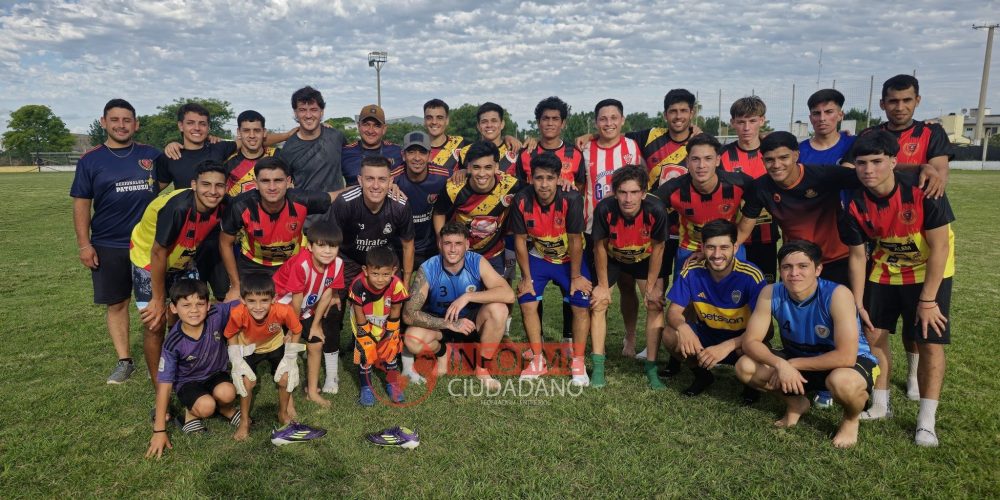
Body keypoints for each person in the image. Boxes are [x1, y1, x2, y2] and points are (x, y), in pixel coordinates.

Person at [839, 130, 955, 447]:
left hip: (929, 271)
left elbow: (941, 248)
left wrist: (928, 300)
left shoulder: (924, 190)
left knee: (930, 341)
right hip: (885, 269)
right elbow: (858, 255)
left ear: (893, 161)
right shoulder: (851, 202)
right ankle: (880, 404)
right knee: (875, 335)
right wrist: (859, 301)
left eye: (877, 161)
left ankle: (926, 421)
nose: (869, 170)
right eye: (861, 163)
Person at [847, 74, 954, 401]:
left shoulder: (931, 132)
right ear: (883, 104)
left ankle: (913, 376)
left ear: (917, 101)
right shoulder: (869, 135)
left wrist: (920, 169)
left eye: (907, 100)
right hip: (885, 249)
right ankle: (883, 399)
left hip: (921, 234)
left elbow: (936, 177)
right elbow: (852, 167)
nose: (900, 107)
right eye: (893, 101)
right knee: (878, 330)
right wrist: (911, 166)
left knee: (920, 331)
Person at [735, 241, 879, 449]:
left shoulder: (838, 295)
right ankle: (797, 404)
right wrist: (781, 364)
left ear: (818, 269)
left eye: (803, 266)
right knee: (745, 366)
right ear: (780, 271)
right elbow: (750, 342)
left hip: (848, 363)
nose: (794, 273)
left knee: (843, 383)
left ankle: (850, 419)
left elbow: (846, 356)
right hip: (800, 359)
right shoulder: (770, 292)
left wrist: (791, 364)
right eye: (787, 267)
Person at [71, 98, 161, 384]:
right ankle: (125, 361)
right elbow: (82, 204)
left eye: (127, 120)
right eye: (115, 120)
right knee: (117, 303)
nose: (121, 125)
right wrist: (85, 245)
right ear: (104, 122)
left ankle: (161, 356)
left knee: (155, 302)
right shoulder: (91, 160)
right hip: (109, 244)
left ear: (136, 124)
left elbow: (182, 167)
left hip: (149, 246)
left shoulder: (152, 155)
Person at [129, 161, 227, 388]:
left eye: (219, 186)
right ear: (194, 185)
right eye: (206, 184)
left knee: (185, 316)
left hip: (183, 258)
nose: (213, 191)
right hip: (149, 261)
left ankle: (182, 366)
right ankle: (160, 385)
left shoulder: (222, 204)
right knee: (155, 322)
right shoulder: (178, 208)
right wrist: (157, 298)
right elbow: (158, 252)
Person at [509, 152, 592, 386]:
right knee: (526, 299)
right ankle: (537, 359)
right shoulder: (522, 200)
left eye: (549, 178)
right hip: (541, 256)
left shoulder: (572, 198)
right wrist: (525, 277)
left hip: (570, 258)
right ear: (531, 179)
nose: (544, 184)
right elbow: (519, 241)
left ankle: (578, 361)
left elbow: (576, 240)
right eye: (538, 178)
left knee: (580, 302)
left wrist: (576, 276)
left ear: (558, 178)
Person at [402, 222, 516, 390]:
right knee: (412, 340)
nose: (453, 249)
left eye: (458, 244)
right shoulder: (428, 268)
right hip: (440, 323)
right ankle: (442, 353)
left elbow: (509, 295)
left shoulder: (476, 261)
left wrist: (468, 296)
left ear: (467, 245)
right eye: (447, 243)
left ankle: (482, 369)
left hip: (470, 322)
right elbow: (408, 314)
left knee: (499, 309)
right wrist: (450, 324)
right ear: (440, 244)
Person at [661, 220, 766, 399]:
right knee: (670, 335)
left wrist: (727, 346)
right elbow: (673, 313)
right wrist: (684, 328)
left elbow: (767, 331)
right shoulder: (692, 271)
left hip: (741, 339)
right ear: (702, 248)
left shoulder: (751, 275)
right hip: (707, 335)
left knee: (753, 348)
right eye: (711, 247)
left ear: (735, 248)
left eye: (724, 247)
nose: (717, 255)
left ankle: (751, 385)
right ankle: (703, 376)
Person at [513, 96, 585, 348]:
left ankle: (568, 337)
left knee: (572, 289)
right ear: (538, 122)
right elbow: (521, 188)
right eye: (545, 119)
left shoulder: (575, 154)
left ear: (564, 123)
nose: (550, 123)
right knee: (533, 285)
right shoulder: (527, 152)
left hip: (565, 229)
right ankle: (538, 339)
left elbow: (580, 188)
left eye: (555, 119)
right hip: (536, 234)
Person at [590, 166, 668, 389]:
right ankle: (598, 367)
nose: (628, 199)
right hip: (613, 255)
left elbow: (659, 247)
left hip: (645, 257)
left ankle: (651, 368)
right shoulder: (604, 208)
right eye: (623, 192)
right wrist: (603, 286)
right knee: (599, 302)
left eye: (634, 192)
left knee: (654, 303)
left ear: (644, 193)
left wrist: (652, 286)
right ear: (615, 192)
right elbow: (599, 247)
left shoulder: (656, 210)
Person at [224, 274, 325, 445]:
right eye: (252, 301)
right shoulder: (237, 313)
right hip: (249, 348)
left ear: (274, 299)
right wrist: (236, 360)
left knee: (285, 377)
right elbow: (230, 334)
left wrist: (291, 356)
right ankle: (243, 421)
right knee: (247, 383)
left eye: (264, 300)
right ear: (242, 300)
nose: (258, 307)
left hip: (274, 345)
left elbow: (297, 329)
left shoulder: (283, 310)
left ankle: (283, 413)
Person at [146, 279, 239, 459]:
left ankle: (226, 409)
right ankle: (189, 415)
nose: (194, 310)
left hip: (215, 374)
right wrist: (159, 430)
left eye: (200, 304)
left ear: (208, 304)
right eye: (186, 305)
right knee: (206, 407)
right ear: (173, 308)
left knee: (228, 393)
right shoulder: (173, 344)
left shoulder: (216, 314)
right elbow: (164, 385)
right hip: (188, 383)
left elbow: (245, 302)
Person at [582, 98, 645, 357]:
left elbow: (642, 178)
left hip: (629, 231)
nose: (608, 123)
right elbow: (576, 184)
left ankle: (629, 340)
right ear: (596, 122)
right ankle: (598, 345)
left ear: (622, 120)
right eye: (603, 118)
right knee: (600, 289)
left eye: (613, 118)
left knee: (628, 287)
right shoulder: (585, 149)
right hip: (595, 230)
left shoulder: (631, 146)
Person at [218, 157, 335, 297]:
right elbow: (225, 243)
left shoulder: (302, 199)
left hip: (293, 262)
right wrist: (236, 286)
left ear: (288, 182)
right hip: (253, 264)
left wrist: (365, 188)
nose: (272, 187)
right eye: (265, 181)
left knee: (296, 310)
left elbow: (337, 196)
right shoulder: (240, 205)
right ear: (256, 184)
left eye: (278, 180)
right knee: (242, 307)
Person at [651, 133, 753, 281]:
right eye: (695, 159)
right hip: (690, 249)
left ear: (718, 160)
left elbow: (760, 198)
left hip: (730, 246)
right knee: (687, 301)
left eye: (708, 158)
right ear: (687, 162)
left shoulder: (740, 183)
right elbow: (646, 206)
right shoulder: (673, 188)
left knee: (736, 296)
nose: (701, 166)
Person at [391, 131, 450, 384]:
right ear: (403, 154)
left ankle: (441, 346)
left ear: (429, 154)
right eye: (411, 151)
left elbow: (466, 182)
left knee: (428, 300)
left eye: (422, 152)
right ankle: (396, 357)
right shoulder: (393, 179)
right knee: (396, 302)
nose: (416, 157)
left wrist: (464, 173)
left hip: (428, 249)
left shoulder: (443, 177)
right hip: (398, 249)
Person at [272, 223, 345, 407]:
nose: (328, 251)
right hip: (280, 307)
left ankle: (312, 392)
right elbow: (295, 299)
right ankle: (287, 402)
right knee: (289, 348)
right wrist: (292, 329)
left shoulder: (338, 265)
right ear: (310, 247)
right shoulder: (301, 263)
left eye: (333, 246)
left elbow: (328, 292)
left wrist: (315, 324)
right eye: (321, 245)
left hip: (303, 309)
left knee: (316, 342)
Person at [433, 140, 522, 276]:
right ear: (468, 167)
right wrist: (441, 240)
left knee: (497, 295)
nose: (482, 173)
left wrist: (560, 182)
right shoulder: (453, 188)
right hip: (459, 252)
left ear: (496, 166)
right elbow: (439, 212)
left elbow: (536, 191)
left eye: (487, 167)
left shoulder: (511, 185)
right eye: (476, 167)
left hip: (494, 253)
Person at [719, 96, 780, 283]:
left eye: (752, 121)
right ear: (732, 123)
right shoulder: (721, 155)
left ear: (762, 121)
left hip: (766, 238)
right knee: (731, 292)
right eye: (741, 122)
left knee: (764, 291)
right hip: (733, 239)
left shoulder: (774, 155)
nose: (746, 128)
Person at [348, 247, 410, 406]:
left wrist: (391, 333)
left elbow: (396, 308)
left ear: (394, 271)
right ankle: (366, 388)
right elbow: (358, 310)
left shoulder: (397, 285)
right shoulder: (357, 285)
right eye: (375, 274)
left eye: (385, 274)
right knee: (366, 356)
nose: (380, 279)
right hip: (364, 323)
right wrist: (364, 334)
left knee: (390, 355)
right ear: (366, 270)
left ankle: (393, 385)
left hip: (386, 322)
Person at [277, 86, 347, 196]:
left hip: (339, 211)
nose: (308, 115)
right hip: (307, 212)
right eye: (302, 110)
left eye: (314, 110)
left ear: (321, 112)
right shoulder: (288, 149)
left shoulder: (336, 136)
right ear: (295, 113)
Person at [341, 104, 403, 186]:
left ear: (384, 129)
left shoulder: (397, 151)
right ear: (359, 126)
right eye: (366, 124)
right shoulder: (345, 152)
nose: (370, 130)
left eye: (377, 125)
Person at [222, 110, 280, 197]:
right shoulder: (228, 160)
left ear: (264, 132)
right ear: (239, 132)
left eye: (257, 130)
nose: (252, 135)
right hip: (238, 210)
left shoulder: (278, 155)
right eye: (246, 130)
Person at [798, 89, 856, 165]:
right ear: (810, 118)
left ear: (840, 115)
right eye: (816, 113)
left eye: (829, 112)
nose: (822, 118)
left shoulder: (854, 143)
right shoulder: (799, 151)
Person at [422, 98, 469, 174]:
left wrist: (466, 171)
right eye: (429, 118)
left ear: (447, 120)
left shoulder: (462, 144)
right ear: (424, 121)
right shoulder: (415, 148)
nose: (434, 122)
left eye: (439, 118)